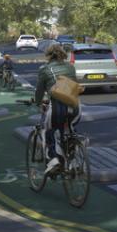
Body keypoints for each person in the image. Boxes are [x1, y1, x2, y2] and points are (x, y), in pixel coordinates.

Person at [33, 42, 80, 175]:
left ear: (48, 55)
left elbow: (40, 91)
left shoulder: (45, 69)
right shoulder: (71, 67)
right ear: (62, 54)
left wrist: (38, 102)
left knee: (50, 131)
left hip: (58, 107)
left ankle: (54, 160)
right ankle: (73, 160)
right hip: (75, 106)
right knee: (70, 130)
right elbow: (73, 85)